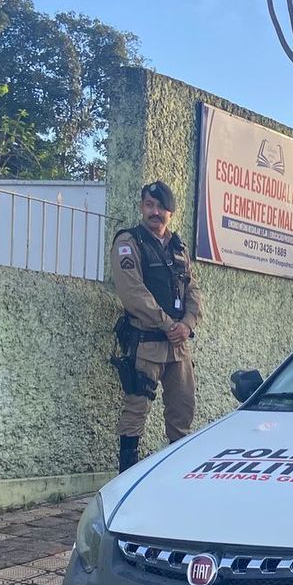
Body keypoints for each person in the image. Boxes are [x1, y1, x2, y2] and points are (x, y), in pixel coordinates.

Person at [111, 181, 203, 471]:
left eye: (161, 207)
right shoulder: (129, 242)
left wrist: (187, 324)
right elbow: (132, 292)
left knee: (182, 415)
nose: (155, 212)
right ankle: (126, 479)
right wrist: (168, 325)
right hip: (146, 343)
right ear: (141, 207)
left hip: (178, 347)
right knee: (135, 413)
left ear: (170, 213)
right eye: (149, 205)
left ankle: (176, 479)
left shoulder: (178, 248)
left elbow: (193, 291)